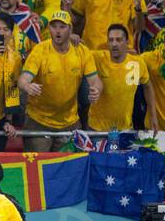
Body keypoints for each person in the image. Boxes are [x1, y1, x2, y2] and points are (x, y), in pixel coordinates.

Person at [18, 11, 102, 151]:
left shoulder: (82, 51)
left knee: (69, 166)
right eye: (54, 26)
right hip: (39, 122)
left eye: (62, 27)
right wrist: (27, 86)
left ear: (70, 29)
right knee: (39, 167)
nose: (57, 31)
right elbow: (22, 80)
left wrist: (97, 90)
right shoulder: (40, 50)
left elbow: (95, 81)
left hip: (70, 122)